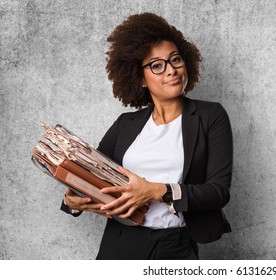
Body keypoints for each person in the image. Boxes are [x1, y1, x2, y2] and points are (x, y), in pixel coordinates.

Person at [60, 12, 233, 260]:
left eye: (175, 60)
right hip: (119, 243)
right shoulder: (126, 125)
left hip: (176, 245)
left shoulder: (210, 116)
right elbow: (90, 174)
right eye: (157, 65)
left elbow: (218, 192)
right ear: (140, 78)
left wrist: (155, 191)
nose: (171, 70)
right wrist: (72, 199)